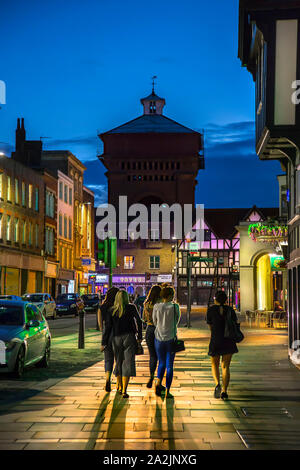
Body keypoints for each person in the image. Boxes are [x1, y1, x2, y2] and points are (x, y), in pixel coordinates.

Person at [101, 290, 143, 398]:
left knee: (119, 362)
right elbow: (139, 321)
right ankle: (124, 390)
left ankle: (119, 386)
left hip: (116, 338)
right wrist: (139, 337)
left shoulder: (111, 310)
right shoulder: (132, 307)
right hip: (129, 337)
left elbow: (108, 328)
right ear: (126, 298)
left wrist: (104, 342)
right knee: (128, 363)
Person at [206, 290, 238, 400]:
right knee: (225, 366)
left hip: (216, 340)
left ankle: (217, 384)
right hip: (228, 341)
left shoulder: (211, 310)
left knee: (214, 364)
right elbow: (234, 324)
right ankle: (224, 391)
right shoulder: (230, 310)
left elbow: (210, 326)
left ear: (215, 299)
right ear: (226, 300)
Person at [152, 286, 180, 399]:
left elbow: (154, 321)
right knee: (170, 366)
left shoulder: (156, 306)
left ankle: (158, 383)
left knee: (161, 362)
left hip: (158, 338)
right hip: (171, 339)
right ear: (170, 296)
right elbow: (177, 321)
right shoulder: (175, 307)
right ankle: (168, 391)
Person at [98, 287, 119, 392]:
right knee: (119, 359)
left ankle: (107, 380)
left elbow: (101, 326)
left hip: (107, 335)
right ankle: (119, 383)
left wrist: (103, 340)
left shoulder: (102, 307)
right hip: (118, 334)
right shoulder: (118, 306)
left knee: (108, 359)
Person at [143, 285, 162, 389]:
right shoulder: (160, 304)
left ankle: (151, 376)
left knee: (152, 356)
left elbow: (144, 319)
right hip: (159, 330)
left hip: (149, 330)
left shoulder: (146, 304)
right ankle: (159, 380)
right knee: (161, 356)